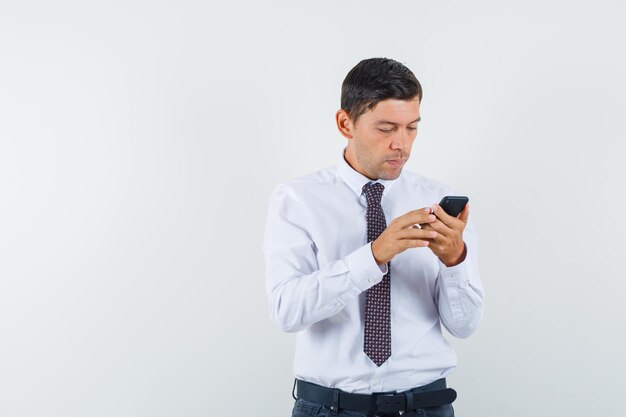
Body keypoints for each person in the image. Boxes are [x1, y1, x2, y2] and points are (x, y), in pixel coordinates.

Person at [263, 57, 485, 417]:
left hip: (423, 407)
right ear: (345, 123)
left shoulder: (438, 203)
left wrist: (454, 261)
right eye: (387, 128)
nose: (402, 144)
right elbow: (287, 311)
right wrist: (374, 255)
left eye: (412, 127)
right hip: (329, 408)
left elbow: (464, 326)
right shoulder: (297, 200)